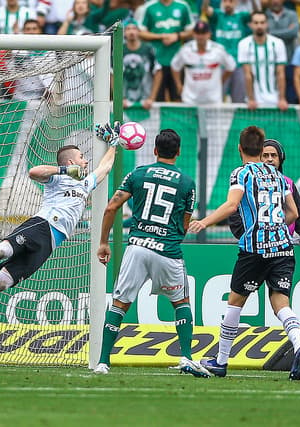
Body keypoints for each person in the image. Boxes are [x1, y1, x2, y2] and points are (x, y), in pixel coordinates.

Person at [0, 123, 118, 319]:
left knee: (2, 282)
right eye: (82, 157)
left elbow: (105, 167)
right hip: (42, 225)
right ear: (69, 161)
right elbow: (34, 172)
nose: (85, 162)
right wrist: (64, 171)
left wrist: (114, 144)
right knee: (2, 251)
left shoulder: (85, 183)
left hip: (50, 244)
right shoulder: (58, 178)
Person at [189, 125, 300, 381]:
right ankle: (299, 344)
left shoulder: (241, 173)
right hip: (283, 248)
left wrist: (205, 221)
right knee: (281, 303)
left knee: (235, 302)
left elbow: (232, 204)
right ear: (261, 147)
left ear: (240, 149)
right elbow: (294, 213)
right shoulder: (278, 176)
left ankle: (221, 361)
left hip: (255, 249)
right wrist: (276, 226)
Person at [92, 129, 209, 377]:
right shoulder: (188, 183)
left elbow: (112, 206)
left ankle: (103, 362)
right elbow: (185, 226)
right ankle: (186, 357)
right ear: (178, 152)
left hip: (137, 247)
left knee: (119, 304)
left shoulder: (138, 173)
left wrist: (104, 242)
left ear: (154, 150)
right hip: (167, 250)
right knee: (181, 303)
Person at [229, 139, 300, 241]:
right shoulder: (248, 181)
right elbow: (235, 215)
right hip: (254, 244)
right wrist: (249, 236)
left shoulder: (288, 183)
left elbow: (299, 214)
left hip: (284, 245)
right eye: (265, 155)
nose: (270, 159)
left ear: (280, 159)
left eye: (274, 155)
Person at [136, 0, 195, 102]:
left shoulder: (182, 6)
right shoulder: (149, 7)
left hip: (177, 61)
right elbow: (140, 33)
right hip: (156, 61)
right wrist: (160, 36)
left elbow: (192, 31)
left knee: (178, 97)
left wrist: (177, 36)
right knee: (157, 98)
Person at [171, 20, 236, 105]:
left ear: (209, 34)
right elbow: (175, 66)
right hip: (190, 100)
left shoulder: (218, 50)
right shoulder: (185, 50)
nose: (200, 36)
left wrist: (220, 81)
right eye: (198, 33)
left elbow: (231, 66)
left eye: (203, 33)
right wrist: (179, 85)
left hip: (213, 100)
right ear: (193, 34)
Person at [238, 11, 288, 111]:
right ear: (250, 25)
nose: (259, 26)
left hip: (274, 98)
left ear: (267, 24)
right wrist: (251, 99)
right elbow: (248, 75)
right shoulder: (243, 44)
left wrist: (282, 98)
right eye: (256, 23)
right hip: (254, 100)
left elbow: (280, 73)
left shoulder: (278, 43)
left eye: (262, 22)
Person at [203, 0, 252, 103]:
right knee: (217, 98)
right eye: (225, 1)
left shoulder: (241, 16)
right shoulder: (217, 15)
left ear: (236, 3)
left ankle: (238, 119)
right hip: (220, 65)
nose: (228, 4)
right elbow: (205, 9)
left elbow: (257, 13)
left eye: (231, 1)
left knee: (239, 100)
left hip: (238, 64)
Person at [121, 19, 162, 110]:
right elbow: (112, 75)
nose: (131, 32)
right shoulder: (119, 50)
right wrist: (120, 98)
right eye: (128, 29)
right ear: (124, 33)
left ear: (139, 32)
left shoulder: (148, 49)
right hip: (125, 101)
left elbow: (158, 72)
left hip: (146, 100)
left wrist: (152, 98)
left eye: (134, 28)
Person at [266, 0, 299, 104]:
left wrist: (269, 33)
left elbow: (293, 33)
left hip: (289, 60)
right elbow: (261, 32)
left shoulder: (292, 14)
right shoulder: (264, 15)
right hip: (269, 62)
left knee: (290, 97)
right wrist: (286, 31)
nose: (275, 1)